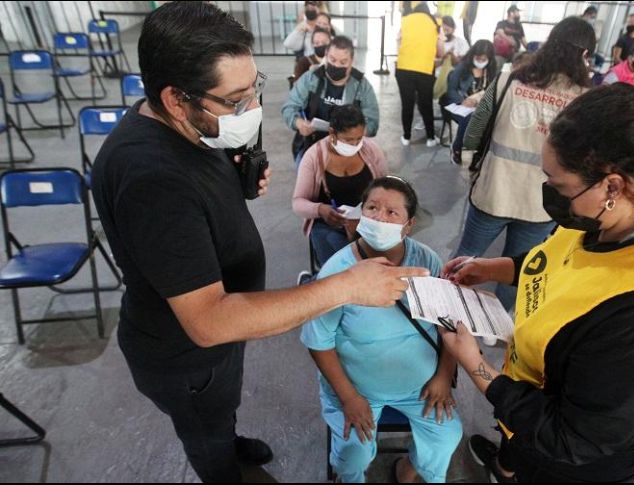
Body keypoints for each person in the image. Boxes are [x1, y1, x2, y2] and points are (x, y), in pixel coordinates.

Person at [90, 4, 428, 483]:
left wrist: (231, 184)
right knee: (206, 435)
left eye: (255, 90)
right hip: (186, 356)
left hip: (221, 340)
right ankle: (223, 462)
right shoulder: (151, 181)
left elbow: (195, 202)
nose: (251, 108)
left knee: (221, 408)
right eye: (234, 100)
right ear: (174, 98)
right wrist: (344, 288)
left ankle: (229, 437)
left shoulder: (184, 129)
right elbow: (208, 322)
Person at [440, 82, 634, 483]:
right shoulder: (619, 216)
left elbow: (571, 439)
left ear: (612, 186)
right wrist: (494, 268)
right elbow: (564, 263)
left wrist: (476, 365)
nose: (548, 193)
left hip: (570, 465)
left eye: (558, 185)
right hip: (530, 405)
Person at [301, 176, 463, 483]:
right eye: (372, 207)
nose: (379, 217)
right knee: (353, 453)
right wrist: (349, 397)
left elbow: (448, 323)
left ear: (409, 224)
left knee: (447, 436)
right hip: (357, 388)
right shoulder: (338, 272)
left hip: (421, 386)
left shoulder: (425, 259)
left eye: (392, 213)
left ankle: (410, 468)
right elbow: (317, 341)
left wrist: (443, 376)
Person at [457, 17, 595, 346]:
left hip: (494, 189)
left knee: (468, 255)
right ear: (585, 53)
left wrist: (467, 165)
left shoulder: (509, 79)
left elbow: (478, 124)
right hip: (542, 202)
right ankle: (495, 327)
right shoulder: (584, 100)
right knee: (517, 265)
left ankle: (450, 313)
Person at [292, 104, 387, 268]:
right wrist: (321, 210)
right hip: (328, 223)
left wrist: (368, 216)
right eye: (349, 140)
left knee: (380, 261)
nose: (355, 144)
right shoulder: (314, 157)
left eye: (359, 138)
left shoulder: (371, 151)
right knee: (342, 266)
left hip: (367, 221)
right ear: (332, 134)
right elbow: (298, 203)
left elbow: (386, 188)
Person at [282, 35, 379, 165]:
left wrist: (353, 134)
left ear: (352, 61)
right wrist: (299, 123)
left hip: (349, 149)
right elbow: (289, 107)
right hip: (312, 144)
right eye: (332, 60)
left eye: (343, 62)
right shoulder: (311, 79)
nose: (336, 65)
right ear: (326, 55)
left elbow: (372, 123)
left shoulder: (362, 85)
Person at [396, 2, 443, 147]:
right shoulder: (436, 22)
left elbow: (398, 41)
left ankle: (406, 137)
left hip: (403, 68)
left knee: (407, 104)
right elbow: (440, 49)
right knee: (426, 104)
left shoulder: (405, 20)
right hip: (425, 69)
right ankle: (430, 138)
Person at [441, 39, 496, 164]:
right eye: (478, 58)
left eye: (484, 60)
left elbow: (492, 91)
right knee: (470, 118)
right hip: (457, 105)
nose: (480, 62)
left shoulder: (490, 71)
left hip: (479, 105)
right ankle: (457, 148)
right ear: (473, 55)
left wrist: (479, 102)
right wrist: (462, 101)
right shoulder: (462, 67)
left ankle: (480, 150)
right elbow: (451, 90)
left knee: (491, 120)